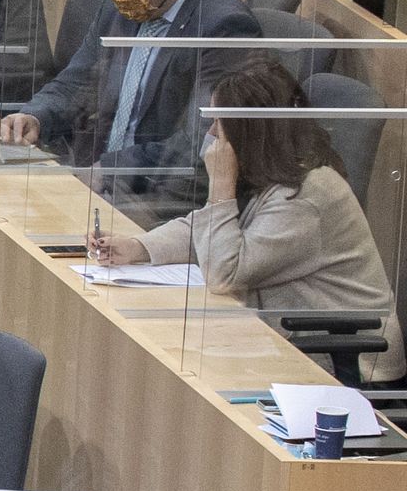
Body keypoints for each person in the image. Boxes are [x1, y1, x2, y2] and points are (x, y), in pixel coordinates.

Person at [91, 56, 395, 368]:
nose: (211, 133)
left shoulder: (305, 196)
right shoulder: (272, 171)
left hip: (338, 359)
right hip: (283, 339)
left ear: (249, 132)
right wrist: (139, 247)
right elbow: (206, 227)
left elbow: (225, 273)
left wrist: (221, 185)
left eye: (219, 123)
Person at [4, 0, 256, 214]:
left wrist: (110, 170)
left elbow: (201, 143)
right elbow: (78, 80)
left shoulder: (224, 27)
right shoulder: (125, 3)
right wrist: (35, 117)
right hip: (98, 180)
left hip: (161, 197)